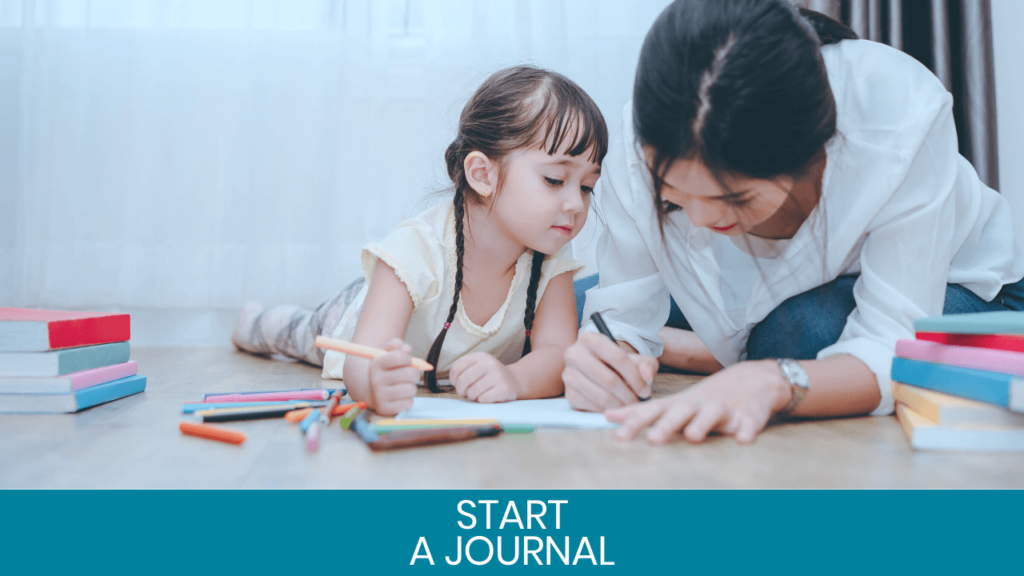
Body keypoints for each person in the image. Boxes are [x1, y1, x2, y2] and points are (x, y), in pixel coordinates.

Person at [565, 0, 1024, 445]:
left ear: (808, 154)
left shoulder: (895, 119)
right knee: (571, 302)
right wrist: (609, 363)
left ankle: (701, 352)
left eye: (734, 198)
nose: (701, 220)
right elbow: (618, 322)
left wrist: (771, 380)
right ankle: (702, 350)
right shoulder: (637, 149)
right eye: (674, 201)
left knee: (798, 334)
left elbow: (891, 345)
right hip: (756, 293)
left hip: (958, 287)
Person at [233, 65, 607, 415]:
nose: (575, 204)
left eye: (588, 186)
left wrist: (515, 379)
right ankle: (253, 323)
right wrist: (374, 386)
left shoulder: (552, 253)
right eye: (555, 180)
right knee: (299, 333)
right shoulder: (417, 248)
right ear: (482, 174)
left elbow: (559, 353)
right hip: (351, 316)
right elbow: (363, 357)